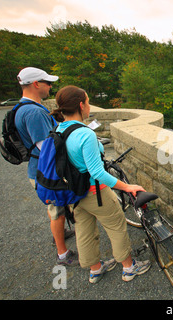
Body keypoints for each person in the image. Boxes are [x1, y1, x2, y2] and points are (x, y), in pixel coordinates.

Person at [51, 85, 151, 283]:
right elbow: (97, 172)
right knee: (116, 226)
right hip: (94, 192)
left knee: (84, 231)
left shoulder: (59, 128)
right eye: (87, 102)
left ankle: (95, 269)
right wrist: (127, 187)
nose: (89, 106)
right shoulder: (85, 134)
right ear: (81, 105)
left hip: (74, 193)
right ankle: (129, 268)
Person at [15, 67, 78, 266]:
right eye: (47, 83)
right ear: (36, 84)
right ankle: (63, 254)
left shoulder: (25, 107)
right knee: (57, 212)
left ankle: (60, 234)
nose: (50, 87)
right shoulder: (34, 112)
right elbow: (46, 147)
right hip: (46, 172)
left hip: (39, 170)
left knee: (55, 209)